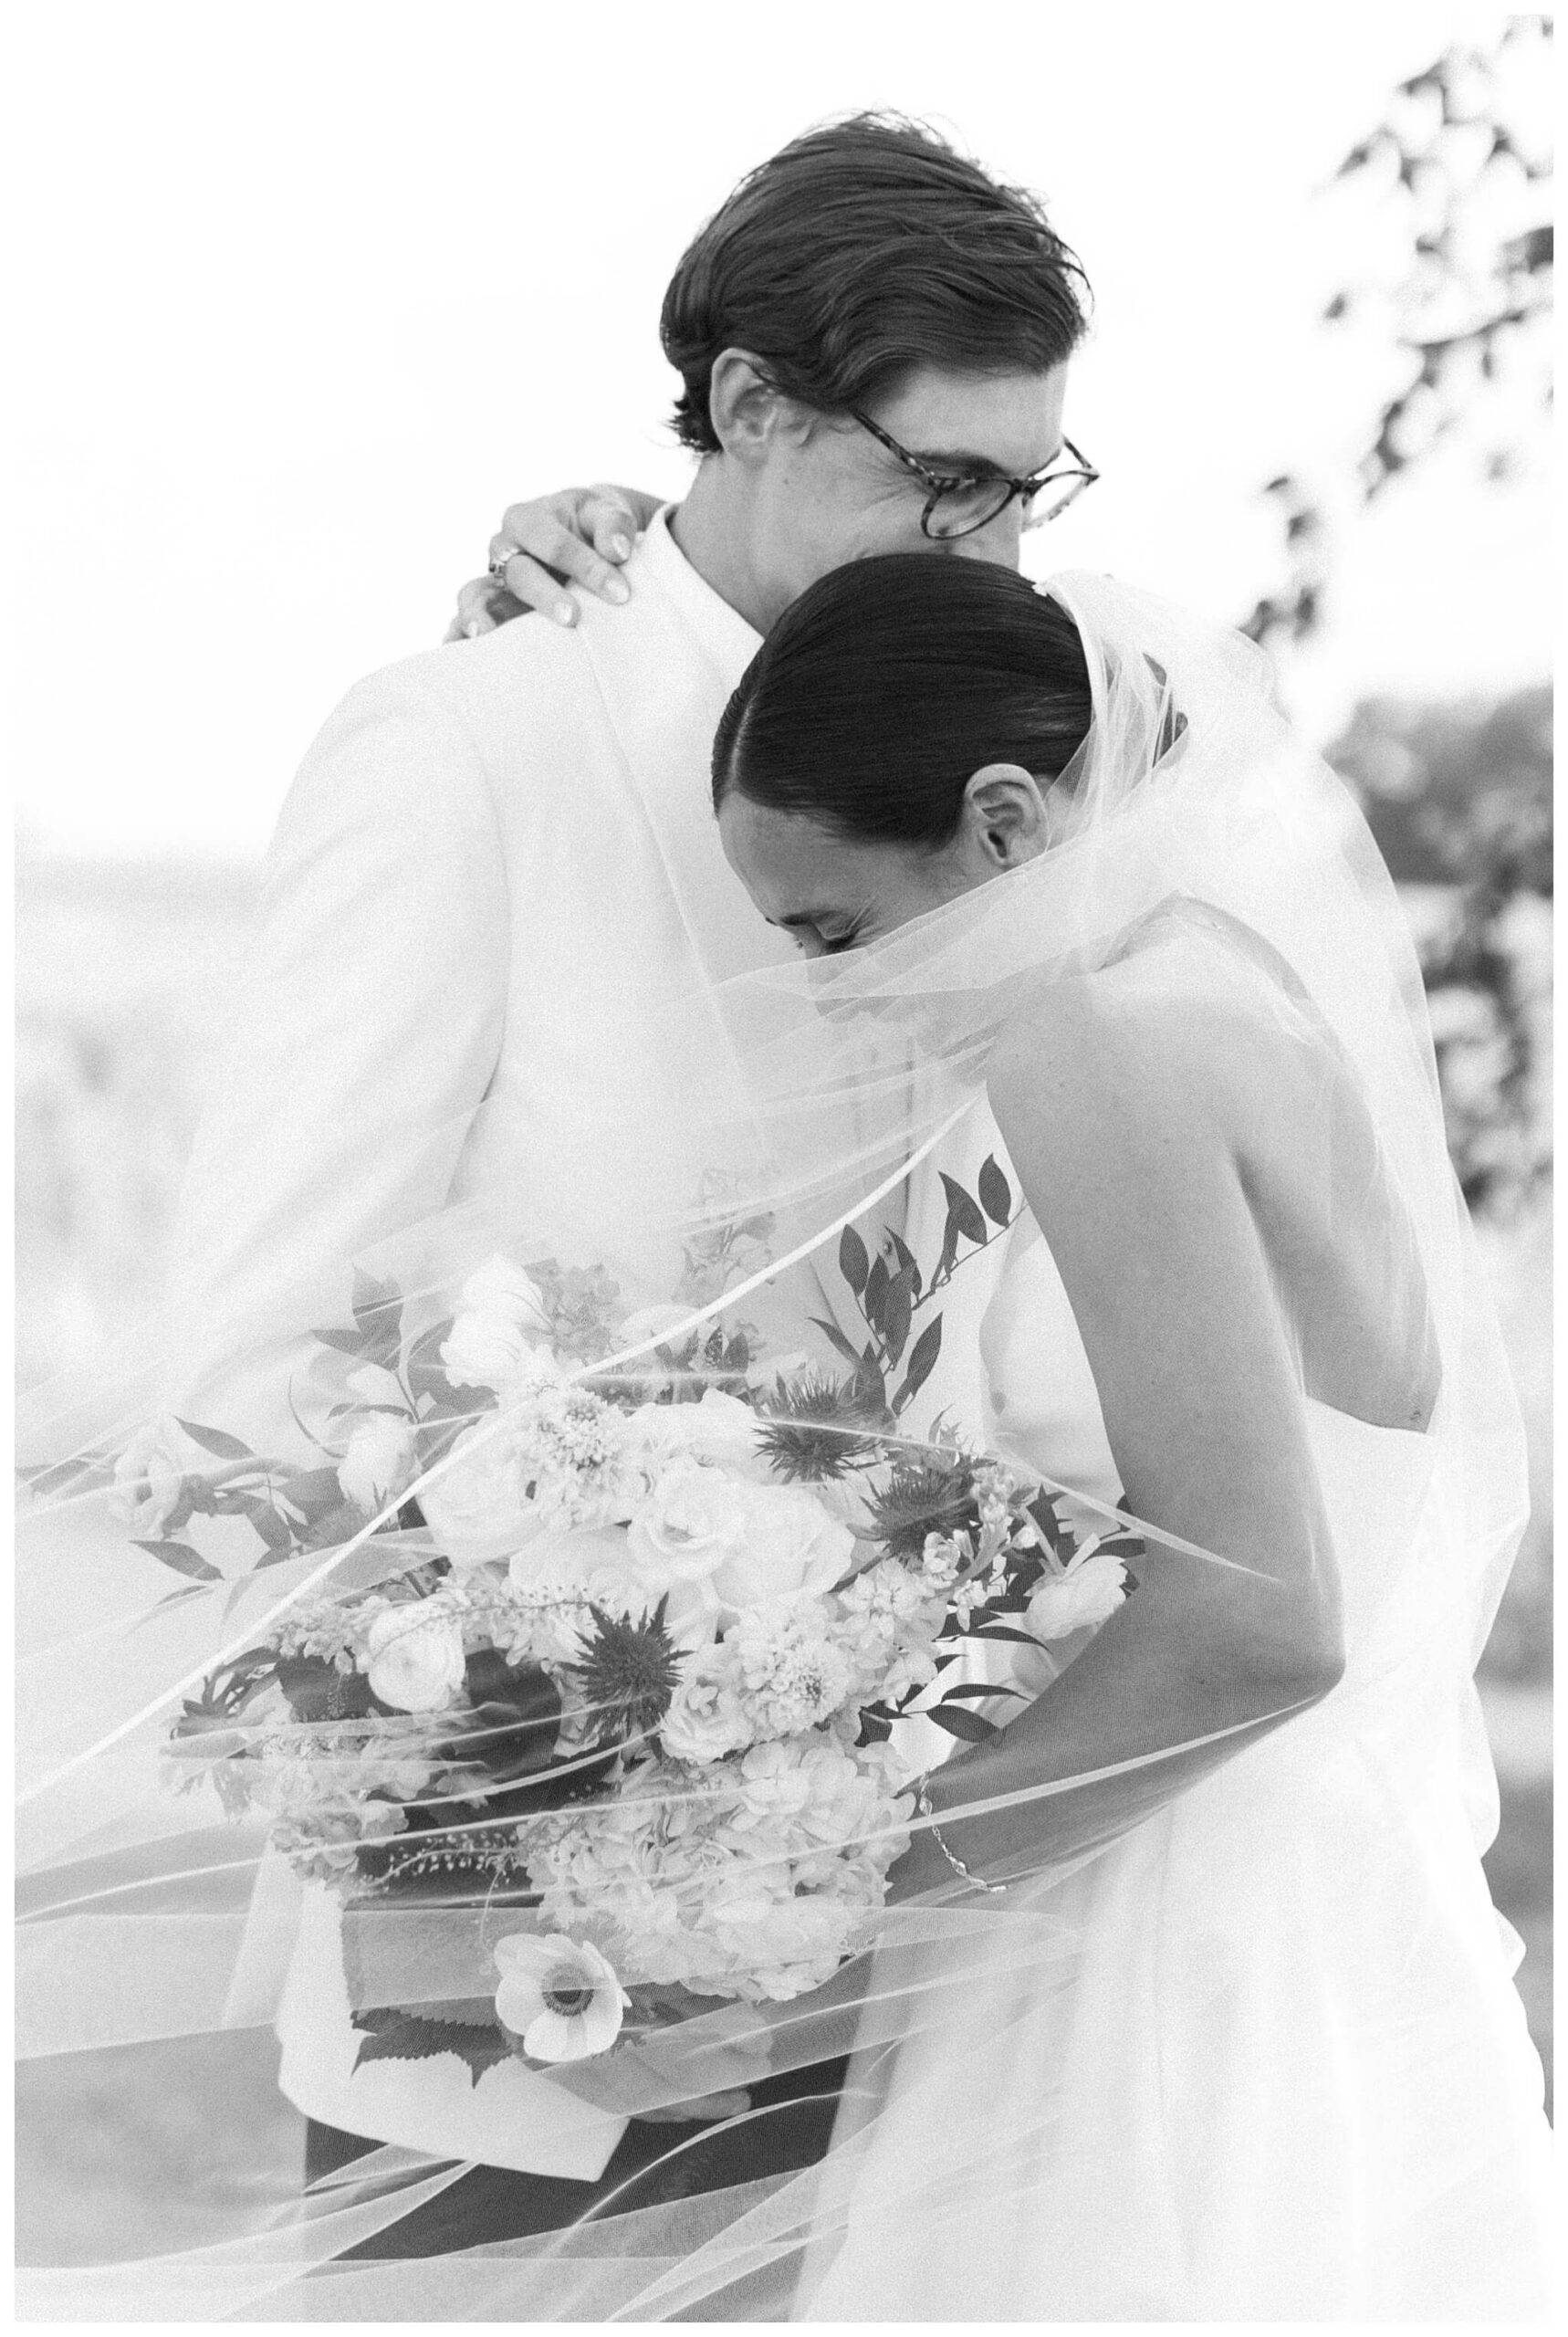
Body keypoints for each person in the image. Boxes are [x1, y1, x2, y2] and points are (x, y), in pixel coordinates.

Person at [136, 111, 1093, 2231]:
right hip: (505, 1976)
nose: (995, 547)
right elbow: (257, 1346)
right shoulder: (467, 739)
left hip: (923, 1953)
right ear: (747, 404)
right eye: (943, 481)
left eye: (1029, 490)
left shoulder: (1028, 734)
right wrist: (531, 1771)